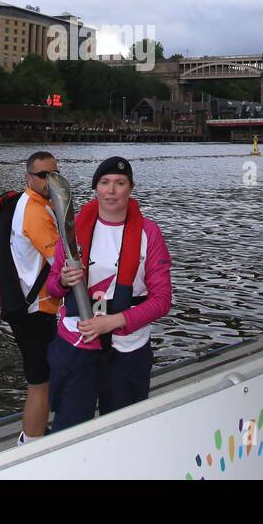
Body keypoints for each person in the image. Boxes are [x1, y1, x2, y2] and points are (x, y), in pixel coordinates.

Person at [44, 156, 171, 432]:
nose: (112, 190)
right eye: (105, 182)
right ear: (96, 188)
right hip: (77, 343)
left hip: (127, 347)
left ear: (131, 188)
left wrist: (112, 322)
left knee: (124, 429)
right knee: (69, 429)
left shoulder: (150, 233)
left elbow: (162, 302)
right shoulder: (72, 231)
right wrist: (64, 281)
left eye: (120, 183)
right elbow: (52, 288)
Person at [7, 150, 63, 445]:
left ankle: (36, 434)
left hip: (33, 306)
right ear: (28, 177)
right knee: (39, 383)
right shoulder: (36, 212)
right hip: (34, 310)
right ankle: (29, 445)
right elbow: (61, 262)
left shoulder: (34, 203)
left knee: (45, 375)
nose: (48, 181)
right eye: (42, 176)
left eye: (54, 174)